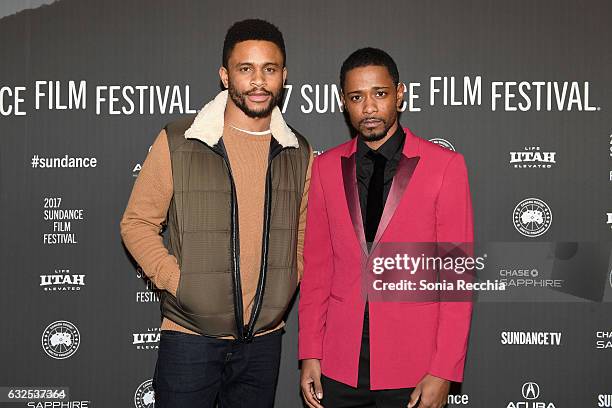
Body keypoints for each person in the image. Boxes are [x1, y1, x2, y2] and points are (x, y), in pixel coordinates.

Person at [120, 19, 313, 408]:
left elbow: (304, 235)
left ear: (283, 77)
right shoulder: (181, 139)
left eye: (269, 69)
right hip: (189, 337)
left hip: (263, 343)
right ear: (226, 76)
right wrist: (181, 283)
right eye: (246, 69)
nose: (258, 81)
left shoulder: (298, 151)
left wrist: (287, 286)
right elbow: (137, 223)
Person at [298, 47, 473, 408]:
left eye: (380, 94)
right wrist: (311, 352)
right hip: (340, 363)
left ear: (400, 94)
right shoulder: (326, 168)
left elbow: (456, 278)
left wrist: (443, 370)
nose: (370, 108)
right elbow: (317, 269)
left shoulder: (445, 166)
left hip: (414, 365)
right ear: (343, 102)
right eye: (357, 97)